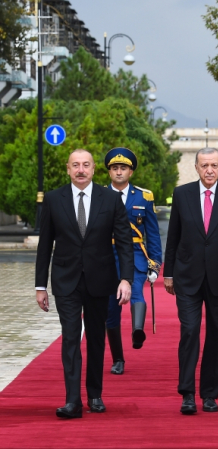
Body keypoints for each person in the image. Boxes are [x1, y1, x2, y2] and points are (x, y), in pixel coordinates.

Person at [35, 149, 134, 419]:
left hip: (100, 281)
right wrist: (40, 286)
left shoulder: (111, 200)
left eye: (86, 165)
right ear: (68, 169)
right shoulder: (54, 200)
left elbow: (125, 242)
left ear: (93, 170)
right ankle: (72, 400)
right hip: (65, 281)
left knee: (95, 339)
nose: (81, 169)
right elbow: (45, 245)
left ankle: (94, 394)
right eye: (75, 165)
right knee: (70, 338)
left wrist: (126, 279)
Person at [164, 147, 218, 415]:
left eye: (214, 165)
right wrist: (168, 273)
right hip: (188, 277)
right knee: (189, 331)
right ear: (196, 167)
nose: (209, 170)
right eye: (204, 165)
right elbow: (173, 237)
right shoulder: (182, 195)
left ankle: (210, 394)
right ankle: (187, 393)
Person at [104, 148, 162, 375]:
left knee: (135, 291)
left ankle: (138, 330)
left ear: (131, 172)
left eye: (123, 168)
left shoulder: (144, 197)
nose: (119, 172)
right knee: (111, 307)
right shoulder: (99, 195)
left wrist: (155, 264)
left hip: (136, 252)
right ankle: (118, 359)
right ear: (109, 172)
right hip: (106, 255)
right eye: (115, 168)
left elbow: (153, 234)